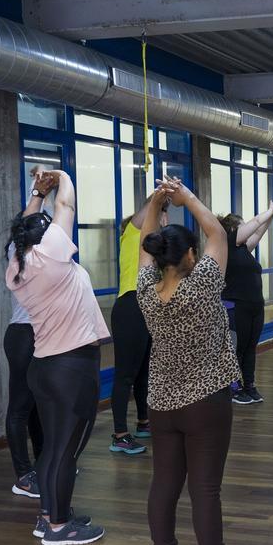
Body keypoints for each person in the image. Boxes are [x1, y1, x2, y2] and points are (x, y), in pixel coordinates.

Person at [137, 176, 250, 545]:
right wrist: (186, 197)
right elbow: (217, 232)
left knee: (164, 483)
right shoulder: (202, 285)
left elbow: (145, 242)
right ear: (189, 255)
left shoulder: (146, 291)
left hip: (161, 403)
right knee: (205, 488)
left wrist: (157, 201)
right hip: (205, 401)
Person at [7, 168, 110, 545]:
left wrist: (37, 193)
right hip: (72, 368)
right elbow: (66, 203)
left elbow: (21, 229)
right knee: (65, 451)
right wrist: (59, 176)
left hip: (46, 366)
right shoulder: (52, 257)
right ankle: (58, 527)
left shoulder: (18, 265)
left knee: (53, 447)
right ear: (46, 238)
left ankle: (49, 514)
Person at [108, 194, 168, 456]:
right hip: (130, 307)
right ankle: (120, 435)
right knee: (125, 375)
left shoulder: (154, 247)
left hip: (147, 306)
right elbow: (145, 213)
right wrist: (159, 197)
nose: (165, 218)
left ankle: (144, 421)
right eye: (163, 213)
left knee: (145, 371)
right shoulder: (132, 235)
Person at [218, 205, 273, 405]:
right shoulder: (227, 245)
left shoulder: (244, 249)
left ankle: (249, 385)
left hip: (255, 306)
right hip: (238, 306)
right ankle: (234, 388)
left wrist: (271, 217)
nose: (247, 229)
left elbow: (258, 232)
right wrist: (266, 213)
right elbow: (255, 223)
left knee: (251, 348)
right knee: (239, 348)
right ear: (233, 230)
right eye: (242, 226)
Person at [5, 287, 43, 498]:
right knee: (19, 408)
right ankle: (23, 477)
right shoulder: (20, 261)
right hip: (24, 334)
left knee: (35, 403)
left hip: (39, 333)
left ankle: (43, 462)